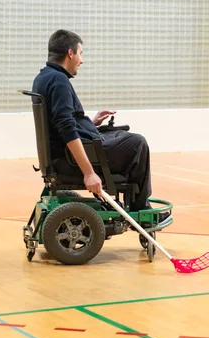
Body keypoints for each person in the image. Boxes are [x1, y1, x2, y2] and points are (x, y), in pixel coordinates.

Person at [32, 29, 158, 215]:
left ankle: (138, 202)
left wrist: (90, 123)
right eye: (80, 54)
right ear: (70, 53)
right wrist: (89, 173)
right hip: (69, 159)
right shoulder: (59, 81)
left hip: (60, 153)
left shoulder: (43, 78)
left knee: (119, 133)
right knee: (137, 143)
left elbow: (60, 122)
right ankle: (141, 207)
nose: (81, 60)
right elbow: (65, 127)